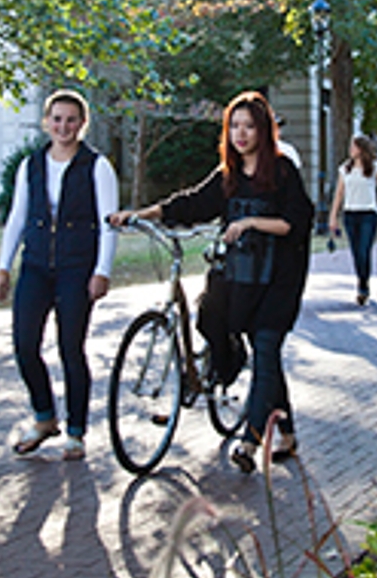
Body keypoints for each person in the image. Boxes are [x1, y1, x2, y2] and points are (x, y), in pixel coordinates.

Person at [111, 91, 314, 472]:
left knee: (267, 345)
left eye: (249, 126)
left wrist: (250, 222)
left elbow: (295, 222)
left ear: (263, 130)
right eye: (234, 126)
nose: (241, 133)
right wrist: (140, 214)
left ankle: (250, 442)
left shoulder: (283, 171)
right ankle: (286, 434)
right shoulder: (228, 176)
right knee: (244, 340)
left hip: (280, 280)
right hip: (242, 276)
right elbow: (190, 204)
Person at [0, 90, 119, 461]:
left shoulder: (96, 166)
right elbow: (17, 217)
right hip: (35, 267)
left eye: (71, 119)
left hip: (76, 269)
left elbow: (107, 223)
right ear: (46, 122)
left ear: (82, 124)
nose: (63, 126)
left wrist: (102, 271)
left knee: (70, 349)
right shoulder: (30, 165)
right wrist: (4, 266)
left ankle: (76, 431)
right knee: (24, 345)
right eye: (57, 119)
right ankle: (44, 417)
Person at [327, 134, 377, 306]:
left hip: (368, 213)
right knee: (356, 251)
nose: (350, 149)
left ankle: (363, 285)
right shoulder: (345, 169)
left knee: (364, 250)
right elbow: (339, 194)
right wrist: (333, 217)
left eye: (354, 146)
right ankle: (361, 282)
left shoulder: (375, 168)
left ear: (362, 149)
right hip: (350, 213)